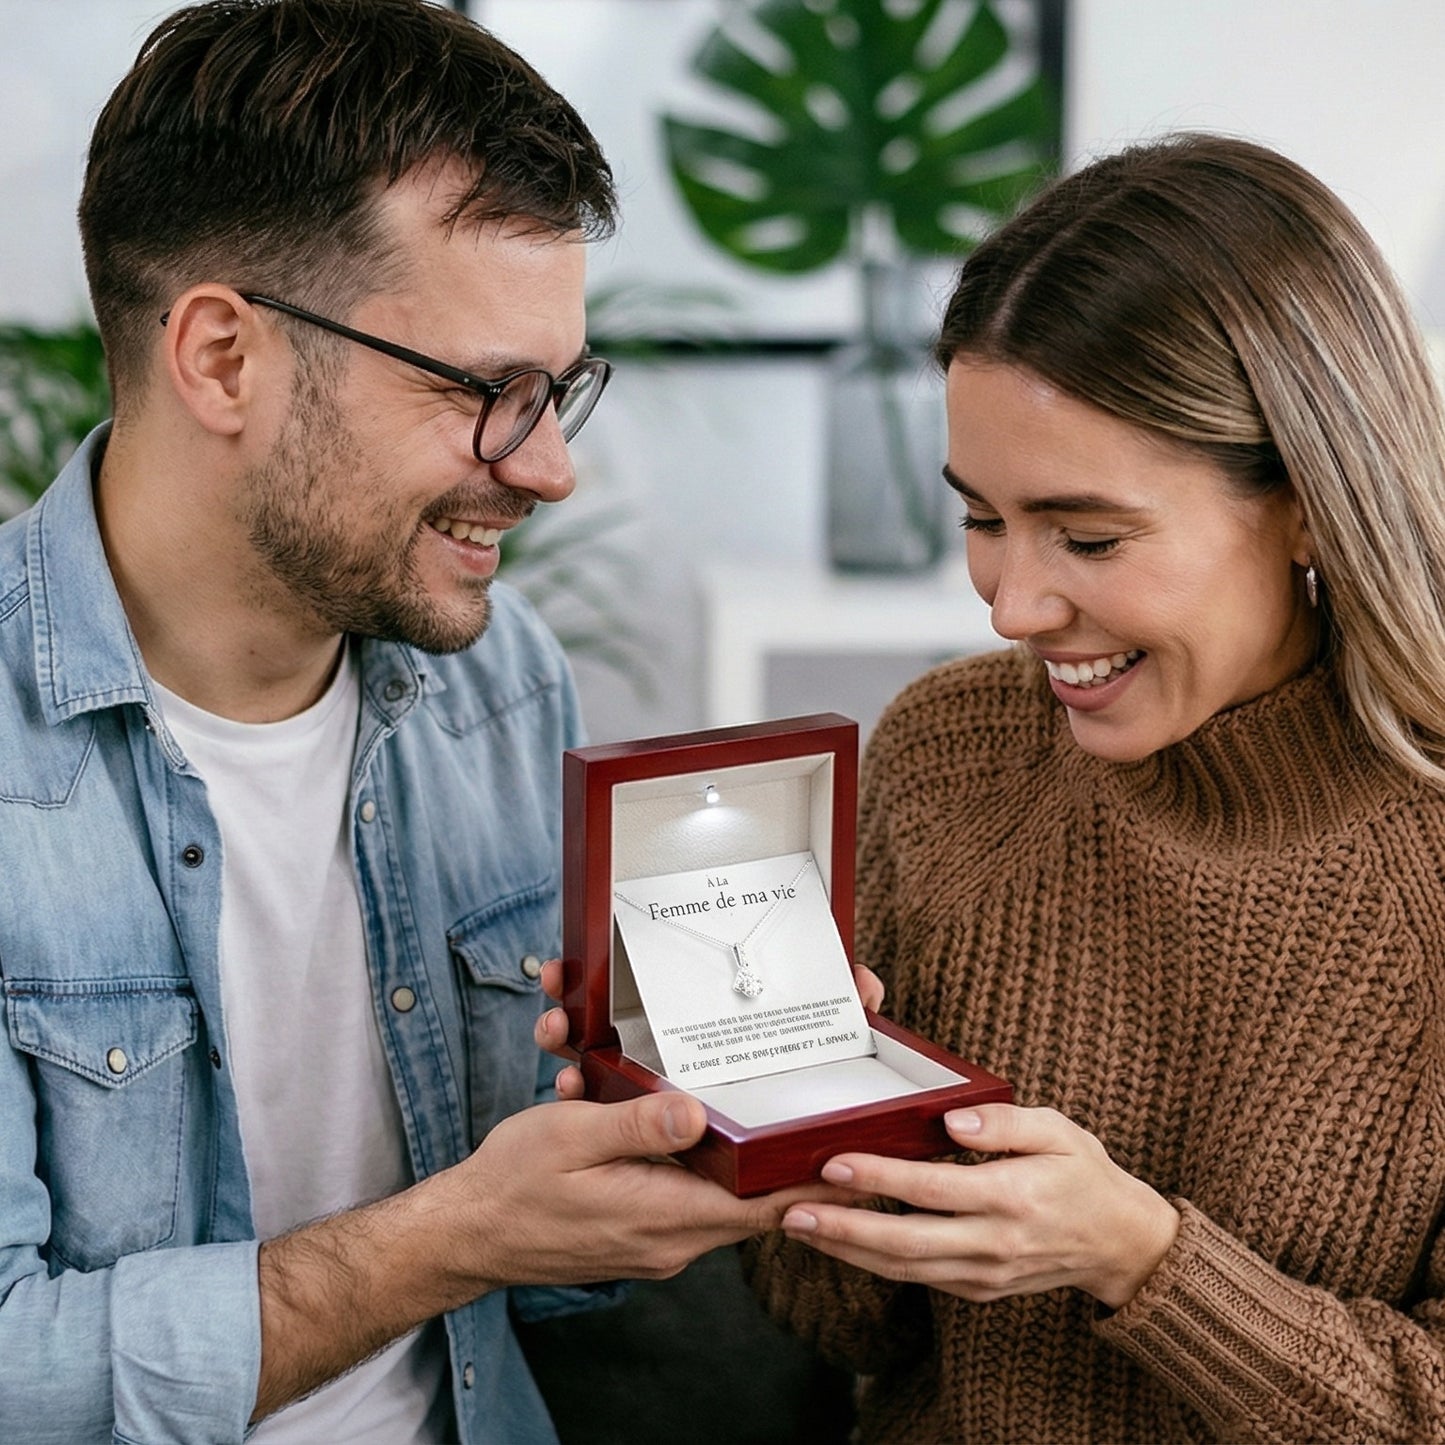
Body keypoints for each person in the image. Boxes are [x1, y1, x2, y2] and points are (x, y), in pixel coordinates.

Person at [0, 3, 843, 1442]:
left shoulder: (497, 681)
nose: (553, 468)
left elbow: (544, 1280)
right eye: (487, 393)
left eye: (559, 389)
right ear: (221, 358)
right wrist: (456, 1233)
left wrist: (696, 1115)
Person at [739, 133, 1445, 1441]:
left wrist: (1141, 1257)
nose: (1010, 603)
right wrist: (769, 1113)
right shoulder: (946, 758)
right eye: (980, 517)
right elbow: (840, 1324)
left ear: (1306, 502)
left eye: (1088, 535)